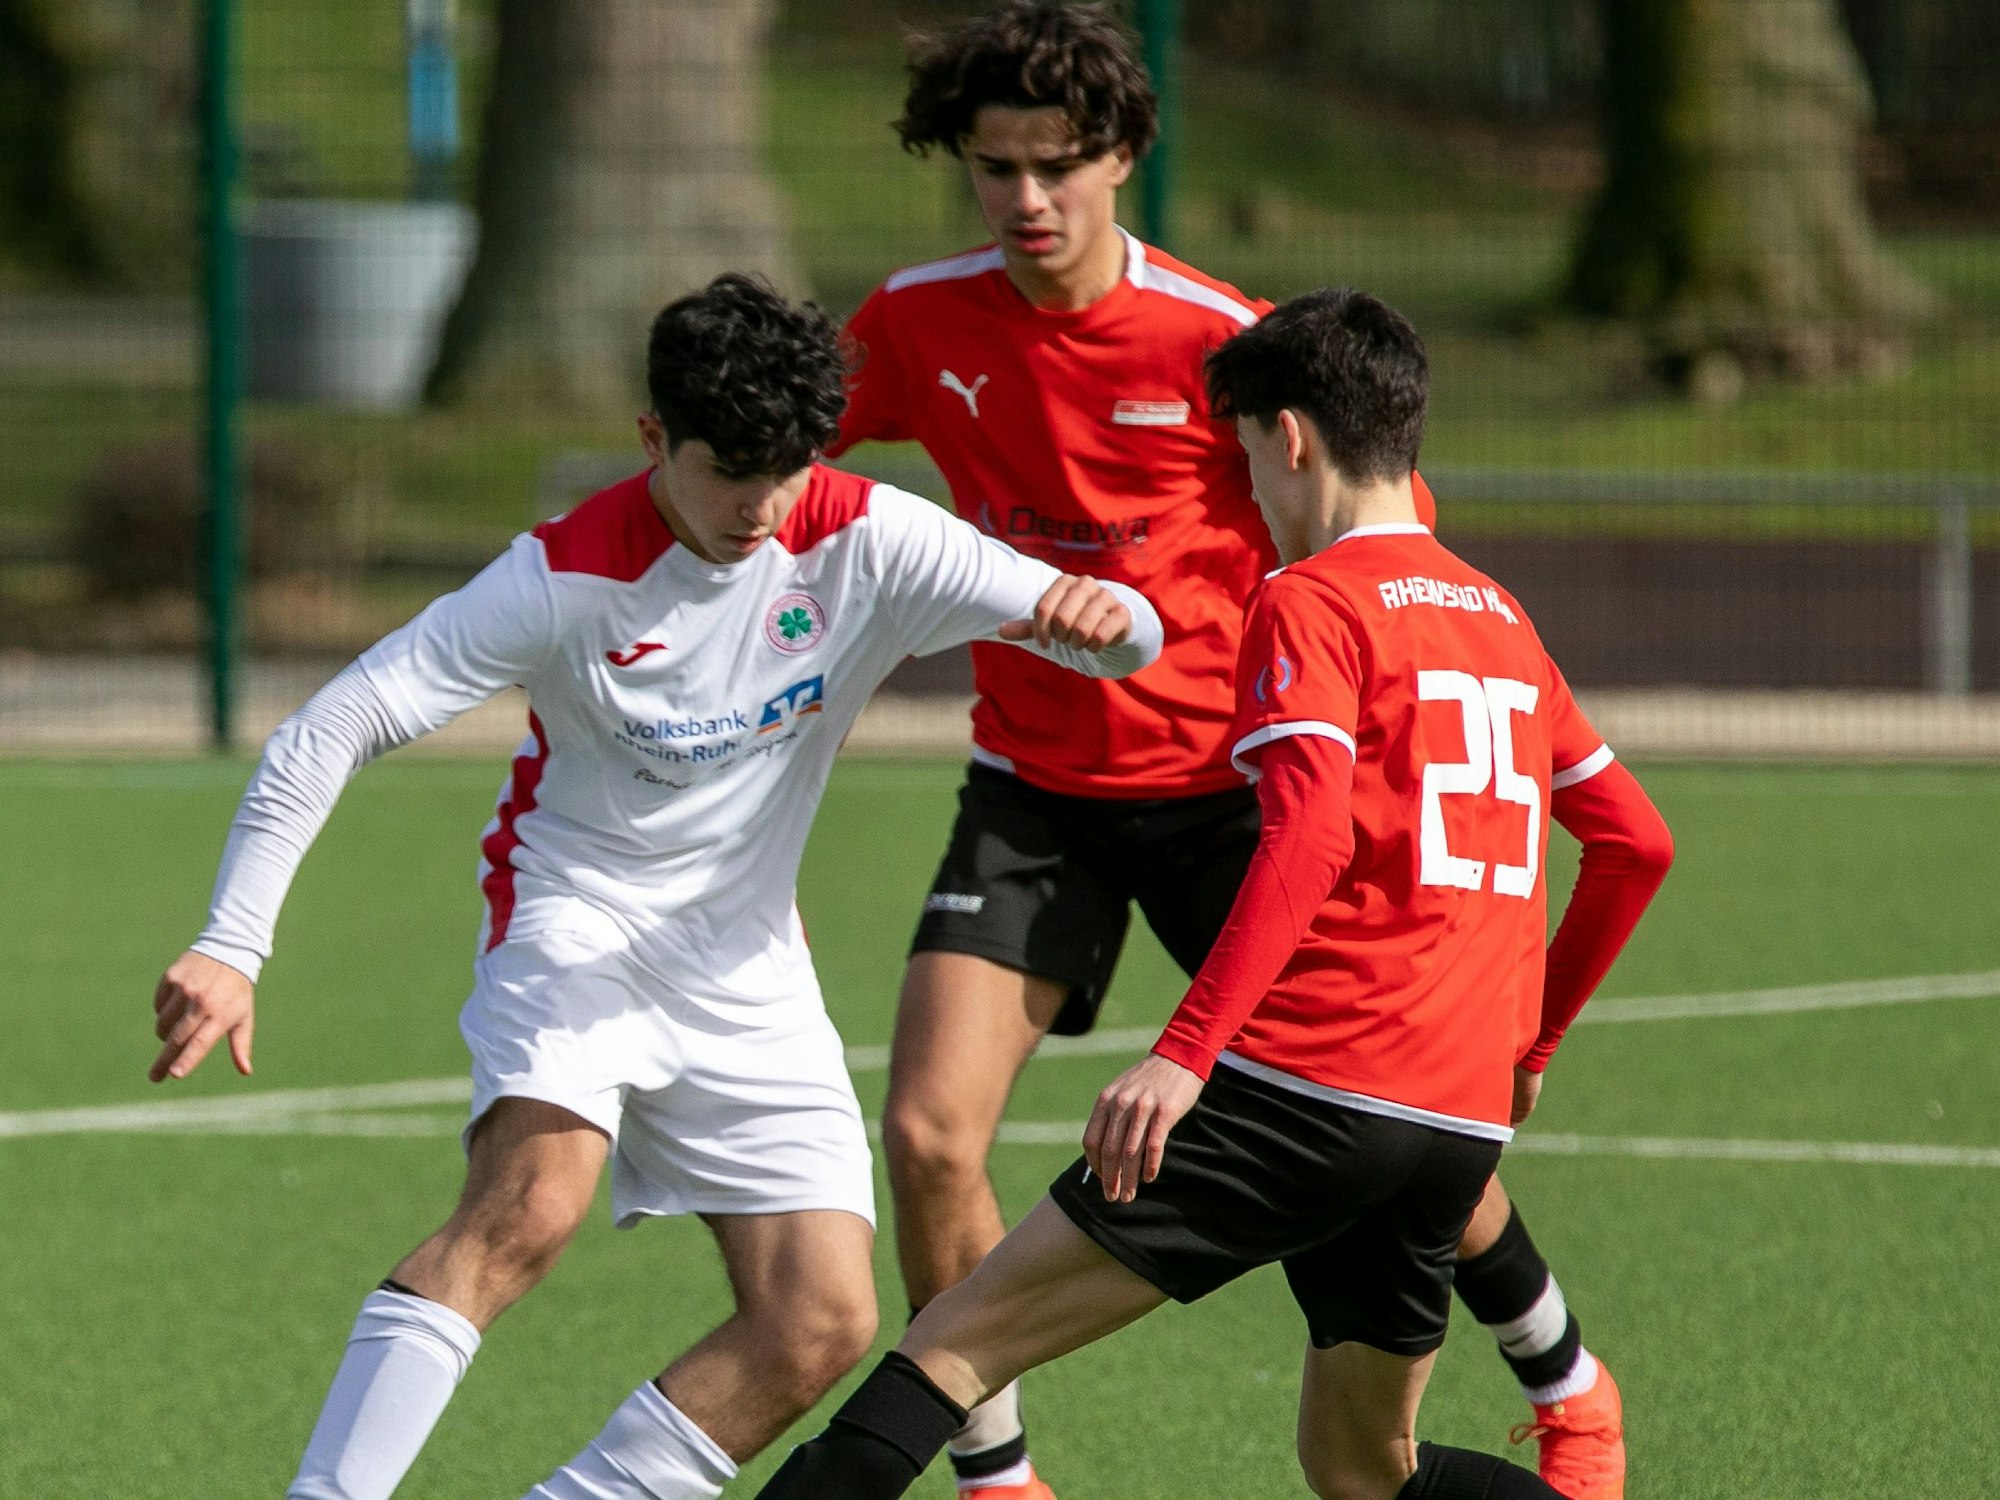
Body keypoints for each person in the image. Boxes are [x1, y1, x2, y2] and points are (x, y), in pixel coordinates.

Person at [145, 273, 1165, 1500]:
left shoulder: (866, 534)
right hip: (576, 921)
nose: (760, 504)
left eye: (783, 468)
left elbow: (1129, 634)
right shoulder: (561, 577)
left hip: (747, 964)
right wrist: (231, 943)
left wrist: (1105, 625)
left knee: (823, 1320)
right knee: (529, 1208)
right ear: (651, 442)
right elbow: (327, 728)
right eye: (727, 469)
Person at [832, 5, 1619, 1495]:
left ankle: (1562, 1372)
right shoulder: (918, 320)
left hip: (1237, 793)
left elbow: (1390, 539)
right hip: (1034, 790)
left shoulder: (1212, 337)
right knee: (932, 1132)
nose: (1024, 202)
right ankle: (998, 1479)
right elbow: (798, 459)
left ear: (1125, 156)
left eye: (1057, 165)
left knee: (1393, 1124)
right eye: (993, 169)